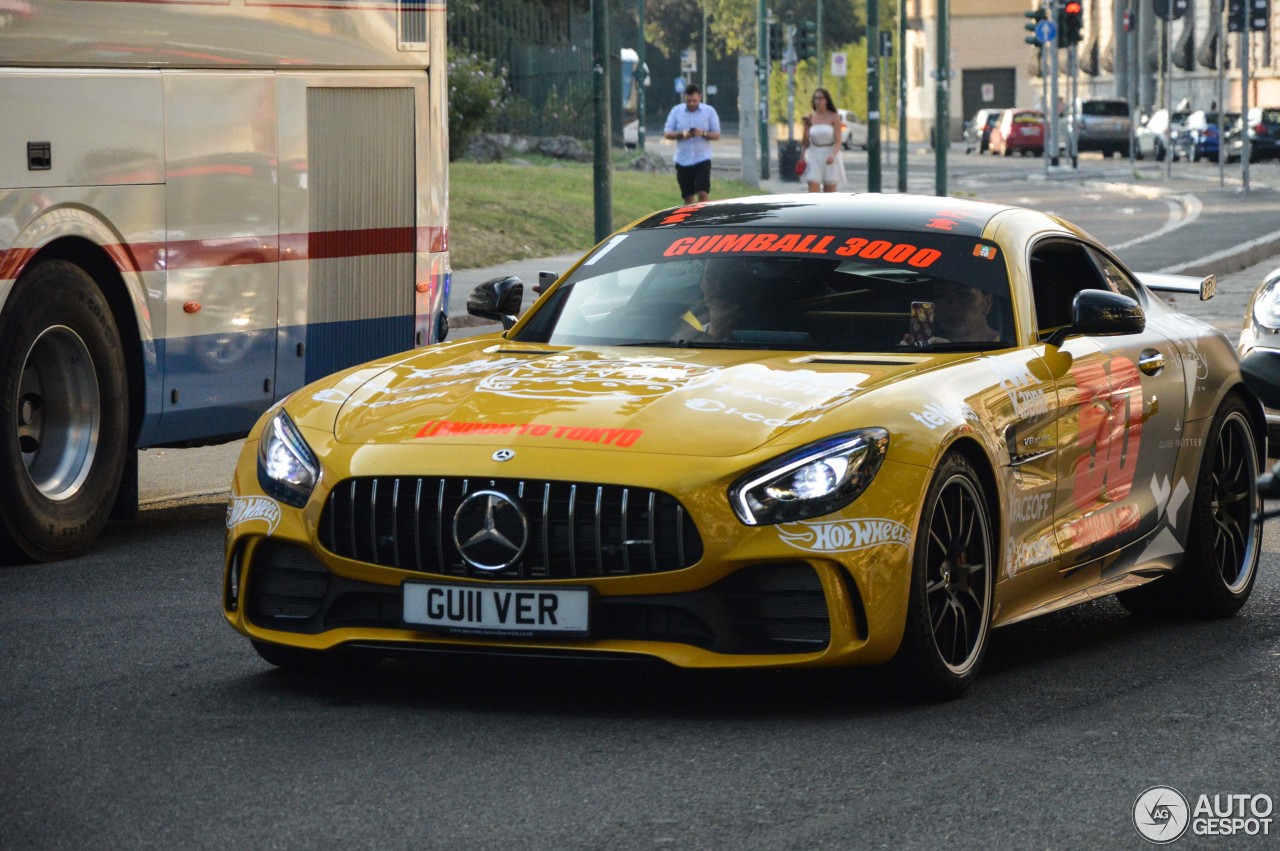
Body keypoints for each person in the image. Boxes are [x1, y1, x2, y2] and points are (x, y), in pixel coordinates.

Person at [663, 83, 721, 203]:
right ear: (685, 98)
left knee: (702, 192)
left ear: (700, 97)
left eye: (694, 101)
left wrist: (703, 133)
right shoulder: (676, 111)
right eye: (689, 101)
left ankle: (704, 218)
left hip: (702, 158)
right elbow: (667, 133)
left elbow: (716, 135)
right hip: (683, 159)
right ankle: (691, 220)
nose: (692, 104)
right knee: (688, 196)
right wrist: (682, 134)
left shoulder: (709, 111)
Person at [902, 282, 1000, 346]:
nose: (953, 305)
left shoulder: (1011, 352)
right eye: (941, 297)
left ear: (987, 303)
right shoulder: (931, 346)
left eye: (963, 295)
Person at [800, 88, 846, 193]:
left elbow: (838, 140)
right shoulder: (810, 116)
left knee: (829, 191)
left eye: (820, 98)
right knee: (812, 187)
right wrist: (806, 128)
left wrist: (833, 155)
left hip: (829, 152)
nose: (817, 101)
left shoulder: (834, 117)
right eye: (815, 98)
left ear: (826, 100)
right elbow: (805, 143)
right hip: (814, 153)